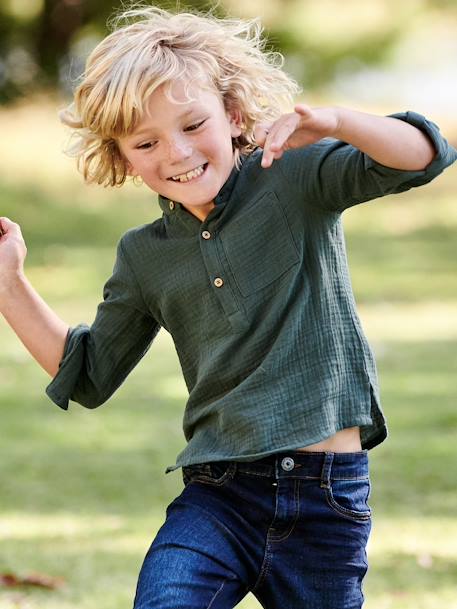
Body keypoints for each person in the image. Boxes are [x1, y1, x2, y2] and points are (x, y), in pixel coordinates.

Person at [0, 6, 455, 609]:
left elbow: (424, 154)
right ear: (122, 154)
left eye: (193, 125)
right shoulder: (144, 255)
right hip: (217, 496)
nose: (177, 153)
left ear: (234, 114)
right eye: (146, 141)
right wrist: (9, 285)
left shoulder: (295, 178)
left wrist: (340, 122)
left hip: (325, 498)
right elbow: (87, 373)